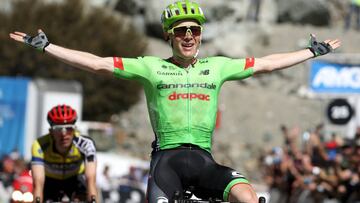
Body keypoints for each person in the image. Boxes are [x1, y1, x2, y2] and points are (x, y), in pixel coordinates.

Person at [9, 1, 341, 202]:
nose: (188, 36)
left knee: (248, 197)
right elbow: (96, 63)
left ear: (201, 35)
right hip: (166, 161)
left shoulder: (219, 66)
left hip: (204, 160)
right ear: (169, 35)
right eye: (181, 30)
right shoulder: (150, 67)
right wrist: (47, 47)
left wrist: (312, 52)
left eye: (194, 31)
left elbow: (268, 63)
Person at [29, 105, 97, 202]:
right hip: (50, 181)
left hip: (75, 179)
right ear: (51, 132)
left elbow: (91, 180)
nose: (64, 134)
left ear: (74, 129)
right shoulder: (39, 145)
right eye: (58, 129)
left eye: (69, 128)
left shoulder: (86, 144)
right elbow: (38, 184)